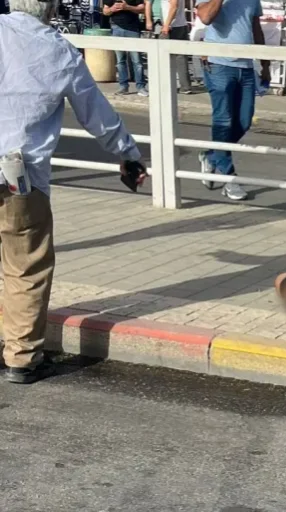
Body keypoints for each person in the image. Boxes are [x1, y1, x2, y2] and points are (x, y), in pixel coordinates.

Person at [0, 0, 145, 383]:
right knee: (25, 269)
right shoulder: (59, 50)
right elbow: (97, 114)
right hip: (19, 178)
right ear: (50, 10)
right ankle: (21, 358)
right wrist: (128, 154)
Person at [195, 0, 271, 201]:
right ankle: (229, 178)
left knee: (244, 121)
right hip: (218, 64)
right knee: (223, 120)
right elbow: (205, 17)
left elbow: (256, 29)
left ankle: (212, 155)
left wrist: (266, 64)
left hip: (245, 66)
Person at [102, 0, 148, 96]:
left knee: (137, 61)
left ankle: (141, 87)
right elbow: (105, 11)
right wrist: (112, 9)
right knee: (120, 61)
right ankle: (123, 86)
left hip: (133, 29)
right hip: (116, 28)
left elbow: (142, 8)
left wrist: (127, 7)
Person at [146, 0, 192, 94]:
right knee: (181, 57)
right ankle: (185, 86)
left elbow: (174, 6)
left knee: (163, 57)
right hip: (181, 24)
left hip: (172, 27)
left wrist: (167, 24)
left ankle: (165, 85)